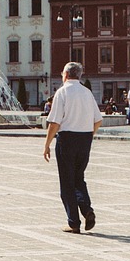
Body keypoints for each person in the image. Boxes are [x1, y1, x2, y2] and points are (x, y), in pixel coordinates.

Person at [42, 61, 102, 234]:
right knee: (78, 178)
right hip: (85, 139)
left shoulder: (62, 92)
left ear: (66, 75)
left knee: (67, 183)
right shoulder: (87, 92)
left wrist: (46, 145)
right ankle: (87, 209)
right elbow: (98, 120)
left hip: (67, 139)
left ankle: (73, 222)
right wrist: (89, 135)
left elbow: (54, 123)